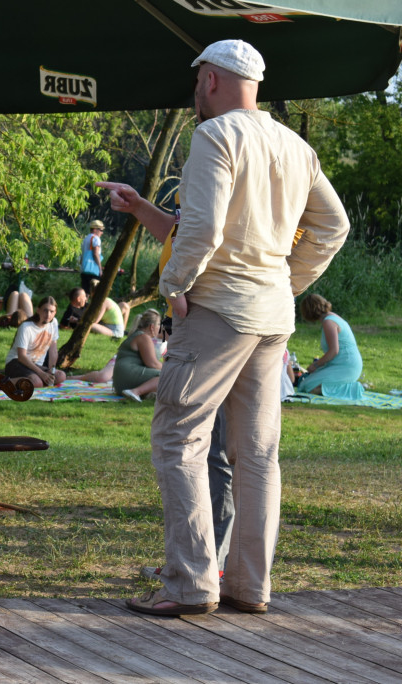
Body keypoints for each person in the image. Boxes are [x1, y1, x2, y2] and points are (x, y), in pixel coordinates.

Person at [102, 39, 349, 617]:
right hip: (271, 319)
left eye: (196, 84)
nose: (195, 94)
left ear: (210, 79)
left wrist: (174, 287)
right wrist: (288, 281)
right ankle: (248, 587)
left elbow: (207, 228)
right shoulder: (295, 146)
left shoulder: (214, 136)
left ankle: (189, 584)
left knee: (178, 437)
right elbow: (332, 226)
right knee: (258, 455)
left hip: (217, 313)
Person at [296, 294, 364, 399]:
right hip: (341, 364)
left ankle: (353, 389)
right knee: (305, 384)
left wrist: (316, 365)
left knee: (307, 386)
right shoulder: (332, 317)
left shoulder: (329, 322)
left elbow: (334, 351)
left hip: (347, 367)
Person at [2, 296, 66, 388]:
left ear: (55, 313)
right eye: (45, 310)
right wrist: (42, 374)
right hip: (16, 362)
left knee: (61, 376)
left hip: (35, 365)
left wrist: (52, 371)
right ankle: (3, 382)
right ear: (38, 310)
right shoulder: (26, 327)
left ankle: (32, 381)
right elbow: (21, 356)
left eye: (51, 311)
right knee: (37, 382)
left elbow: (53, 350)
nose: (48, 315)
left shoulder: (54, 323)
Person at [114, 309, 164, 401]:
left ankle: (147, 394)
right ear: (152, 327)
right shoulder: (143, 337)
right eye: (158, 324)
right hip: (127, 376)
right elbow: (152, 364)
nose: (160, 328)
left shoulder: (138, 335)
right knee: (168, 376)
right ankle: (135, 392)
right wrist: (172, 368)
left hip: (120, 380)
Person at [80, 220, 105, 292]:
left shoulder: (86, 238)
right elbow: (95, 254)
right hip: (93, 271)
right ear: (94, 229)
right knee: (96, 292)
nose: (102, 232)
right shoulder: (96, 239)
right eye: (100, 230)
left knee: (85, 292)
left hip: (84, 269)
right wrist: (100, 268)